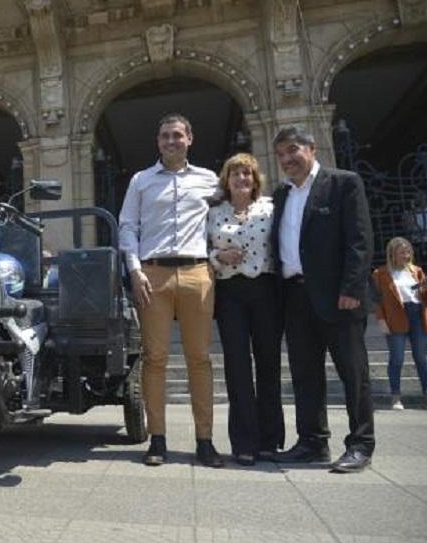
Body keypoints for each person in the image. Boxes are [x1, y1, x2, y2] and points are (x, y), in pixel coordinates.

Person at [118, 113, 224, 468]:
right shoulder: (141, 180)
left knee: (200, 359)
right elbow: (127, 226)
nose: (170, 141)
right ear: (157, 142)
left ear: (190, 138)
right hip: (154, 274)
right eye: (164, 136)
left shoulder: (209, 180)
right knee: (155, 359)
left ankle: (205, 441)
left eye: (177, 135)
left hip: (197, 272)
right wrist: (134, 270)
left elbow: (223, 224)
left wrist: (217, 258)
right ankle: (158, 440)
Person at [270, 125, 375, 473]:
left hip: (337, 297)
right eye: (281, 154)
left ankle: (360, 444)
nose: (287, 159)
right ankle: (312, 442)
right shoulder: (281, 195)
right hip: (295, 297)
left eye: (293, 150)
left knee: (353, 373)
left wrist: (351, 289)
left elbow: (359, 240)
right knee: (305, 374)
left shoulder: (343, 182)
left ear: (312, 148)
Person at [206, 153, 284, 466]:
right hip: (230, 295)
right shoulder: (214, 212)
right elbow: (202, 250)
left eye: (247, 174)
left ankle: (269, 440)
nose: (241, 179)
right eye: (235, 174)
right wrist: (218, 257)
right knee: (237, 367)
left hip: (265, 290)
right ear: (226, 179)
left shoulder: (271, 209)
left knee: (268, 364)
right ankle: (244, 442)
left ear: (255, 180)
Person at [372, 237, 427, 409]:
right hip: (395, 316)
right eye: (402, 252)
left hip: (418, 314)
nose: (406, 255)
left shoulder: (416, 271)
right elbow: (376, 300)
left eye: (408, 252)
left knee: (421, 358)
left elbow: (425, 299)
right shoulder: (380, 273)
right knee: (397, 358)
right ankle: (396, 396)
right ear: (392, 254)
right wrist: (381, 320)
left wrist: (426, 287)